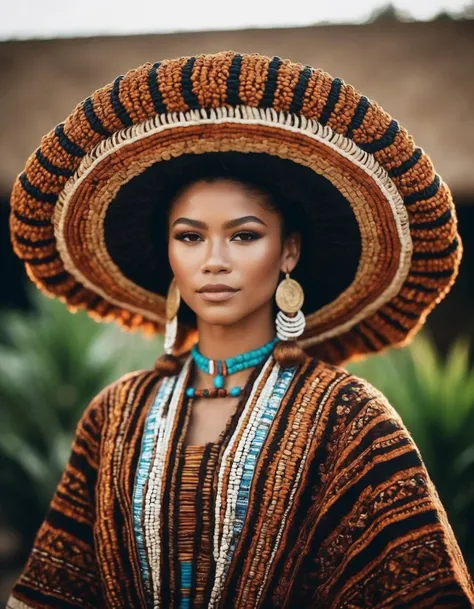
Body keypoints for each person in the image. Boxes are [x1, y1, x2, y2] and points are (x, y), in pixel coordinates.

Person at [6, 50, 474, 608]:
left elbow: (421, 594)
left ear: (289, 251)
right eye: (189, 236)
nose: (214, 261)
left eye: (244, 235)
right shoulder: (114, 415)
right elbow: (54, 592)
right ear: (168, 253)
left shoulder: (351, 418)